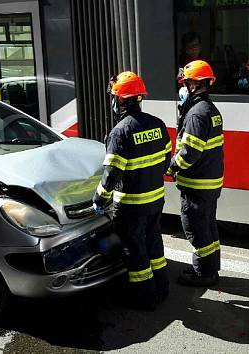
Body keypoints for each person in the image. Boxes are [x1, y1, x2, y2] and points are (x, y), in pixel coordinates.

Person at [93, 71, 172, 311]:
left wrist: (99, 199)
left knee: (135, 251)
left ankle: (145, 298)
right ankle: (162, 288)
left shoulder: (120, 132)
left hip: (131, 205)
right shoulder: (157, 125)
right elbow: (166, 160)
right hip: (156, 199)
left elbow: (111, 174)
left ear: (121, 100)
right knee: (154, 244)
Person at [167, 60, 224, 287]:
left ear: (193, 85)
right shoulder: (211, 110)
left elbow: (189, 152)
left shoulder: (196, 114)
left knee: (197, 230)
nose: (183, 87)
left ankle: (203, 274)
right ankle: (211, 269)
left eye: (186, 82)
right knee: (209, 227)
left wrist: (171, 167)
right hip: (210, 182)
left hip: (197, 184)